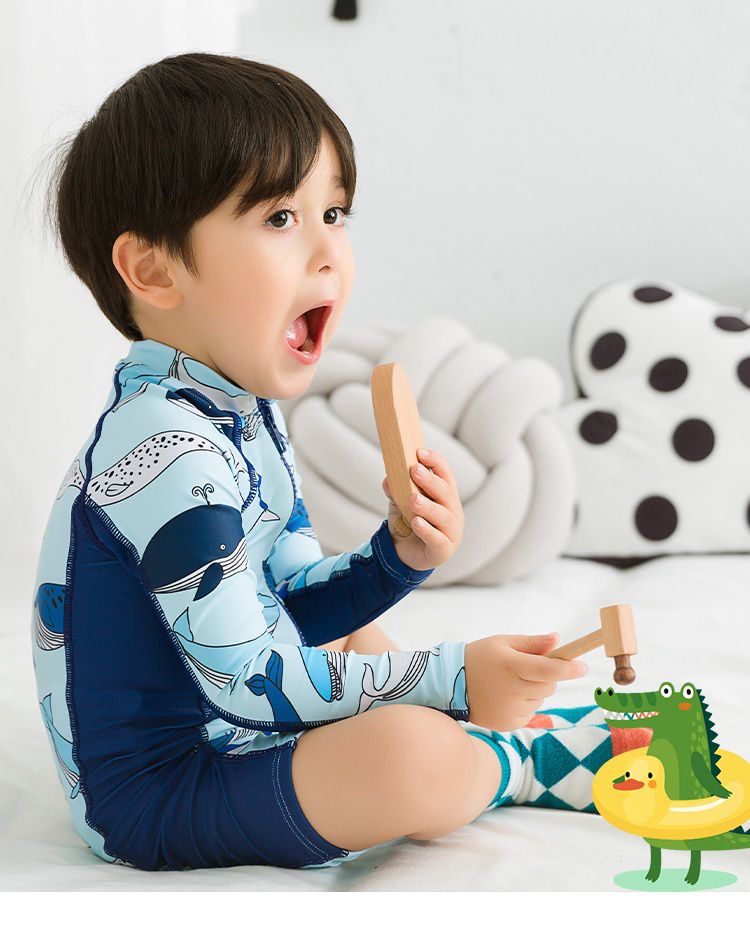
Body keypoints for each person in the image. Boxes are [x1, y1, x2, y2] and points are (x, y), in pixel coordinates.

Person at [31, 52, 652, 872]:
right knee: (409, 755)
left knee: (367, 651)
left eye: (335, 213)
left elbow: (290, 604)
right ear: (153, 270)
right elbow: (248, 679)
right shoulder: (166, 451)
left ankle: (473, 740)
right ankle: (514, 760)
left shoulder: (241, 411)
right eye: (281, 218)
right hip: (162, 794)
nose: (330, 251)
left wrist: (394, 557)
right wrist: (455, 680)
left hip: (244, 732)